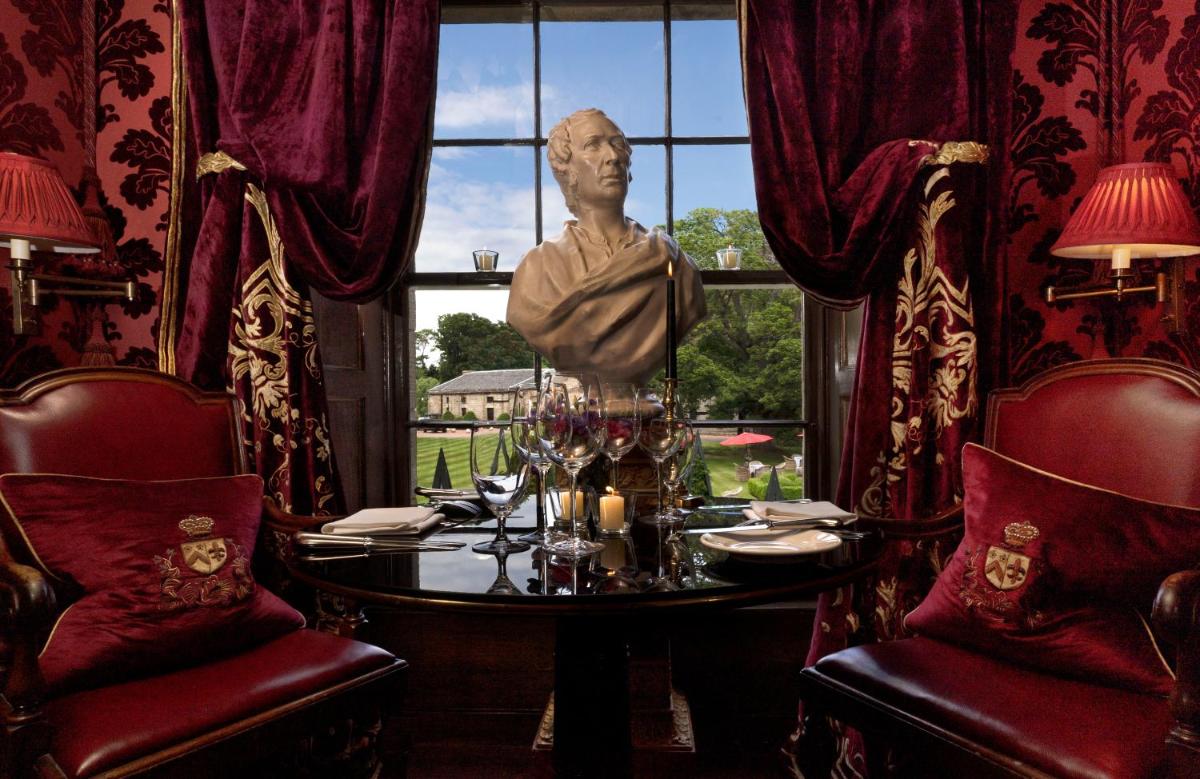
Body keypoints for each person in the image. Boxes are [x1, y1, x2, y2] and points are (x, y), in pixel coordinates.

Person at [506, 108, 705, 385]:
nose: (613, 156)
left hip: (639, 405)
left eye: (618, 144)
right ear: (566, 169)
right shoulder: (537, 267)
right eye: (593, 145)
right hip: (577, 404)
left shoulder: (673, 262)